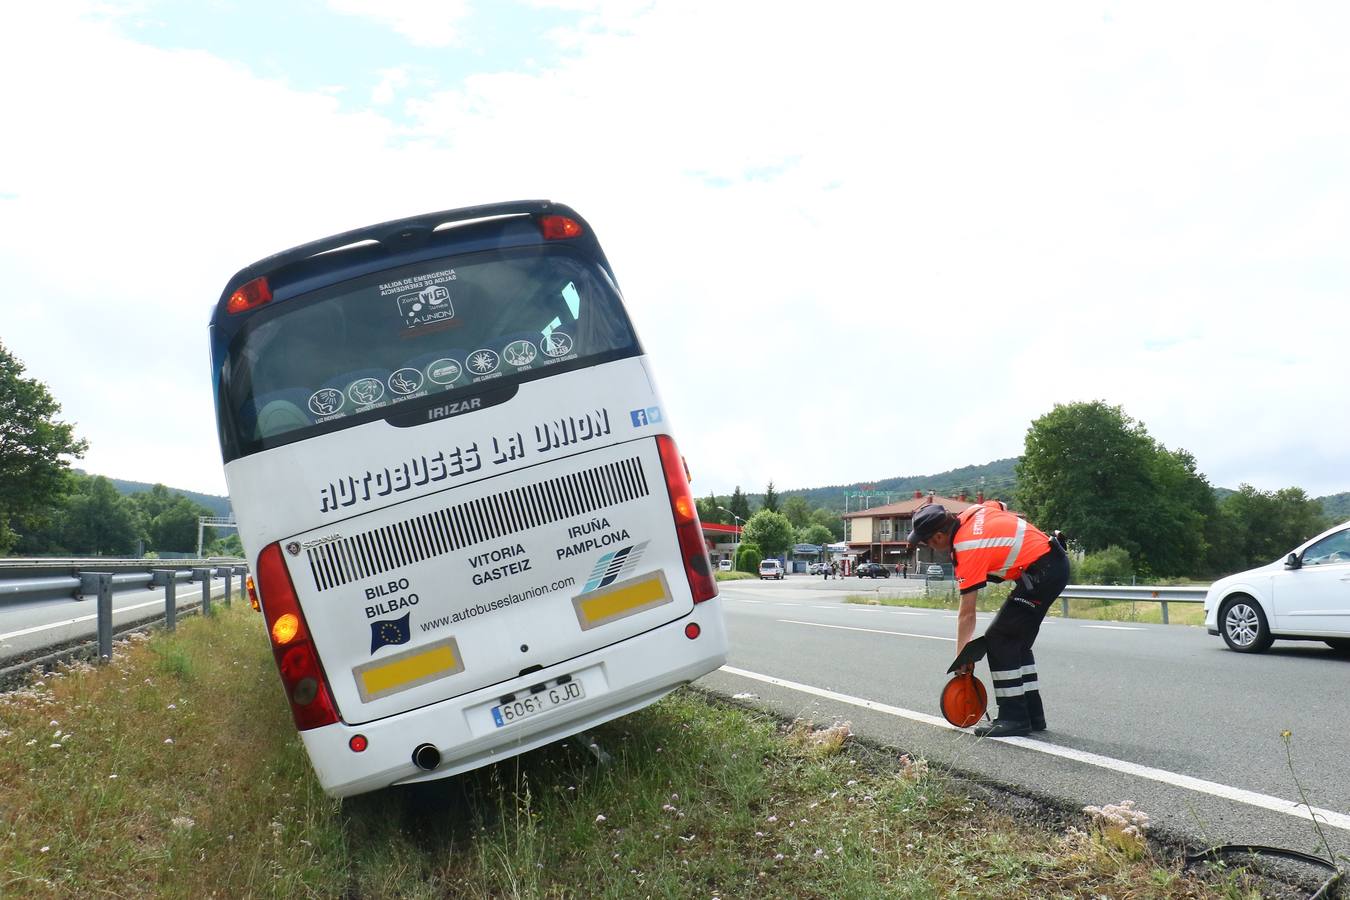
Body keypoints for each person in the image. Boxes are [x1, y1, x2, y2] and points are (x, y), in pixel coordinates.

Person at [908, 500, 1069, 737]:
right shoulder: (974, 511)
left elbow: (967, 613)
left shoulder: (967, 547)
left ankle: (1014, 718)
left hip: (1042, 574)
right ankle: (1033, 715)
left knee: (999, 638)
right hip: (1050, 565)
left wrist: (961, 659)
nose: (929, 545)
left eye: (927, 541)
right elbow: (1000, 505)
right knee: (1017, 642)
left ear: (939, 537)